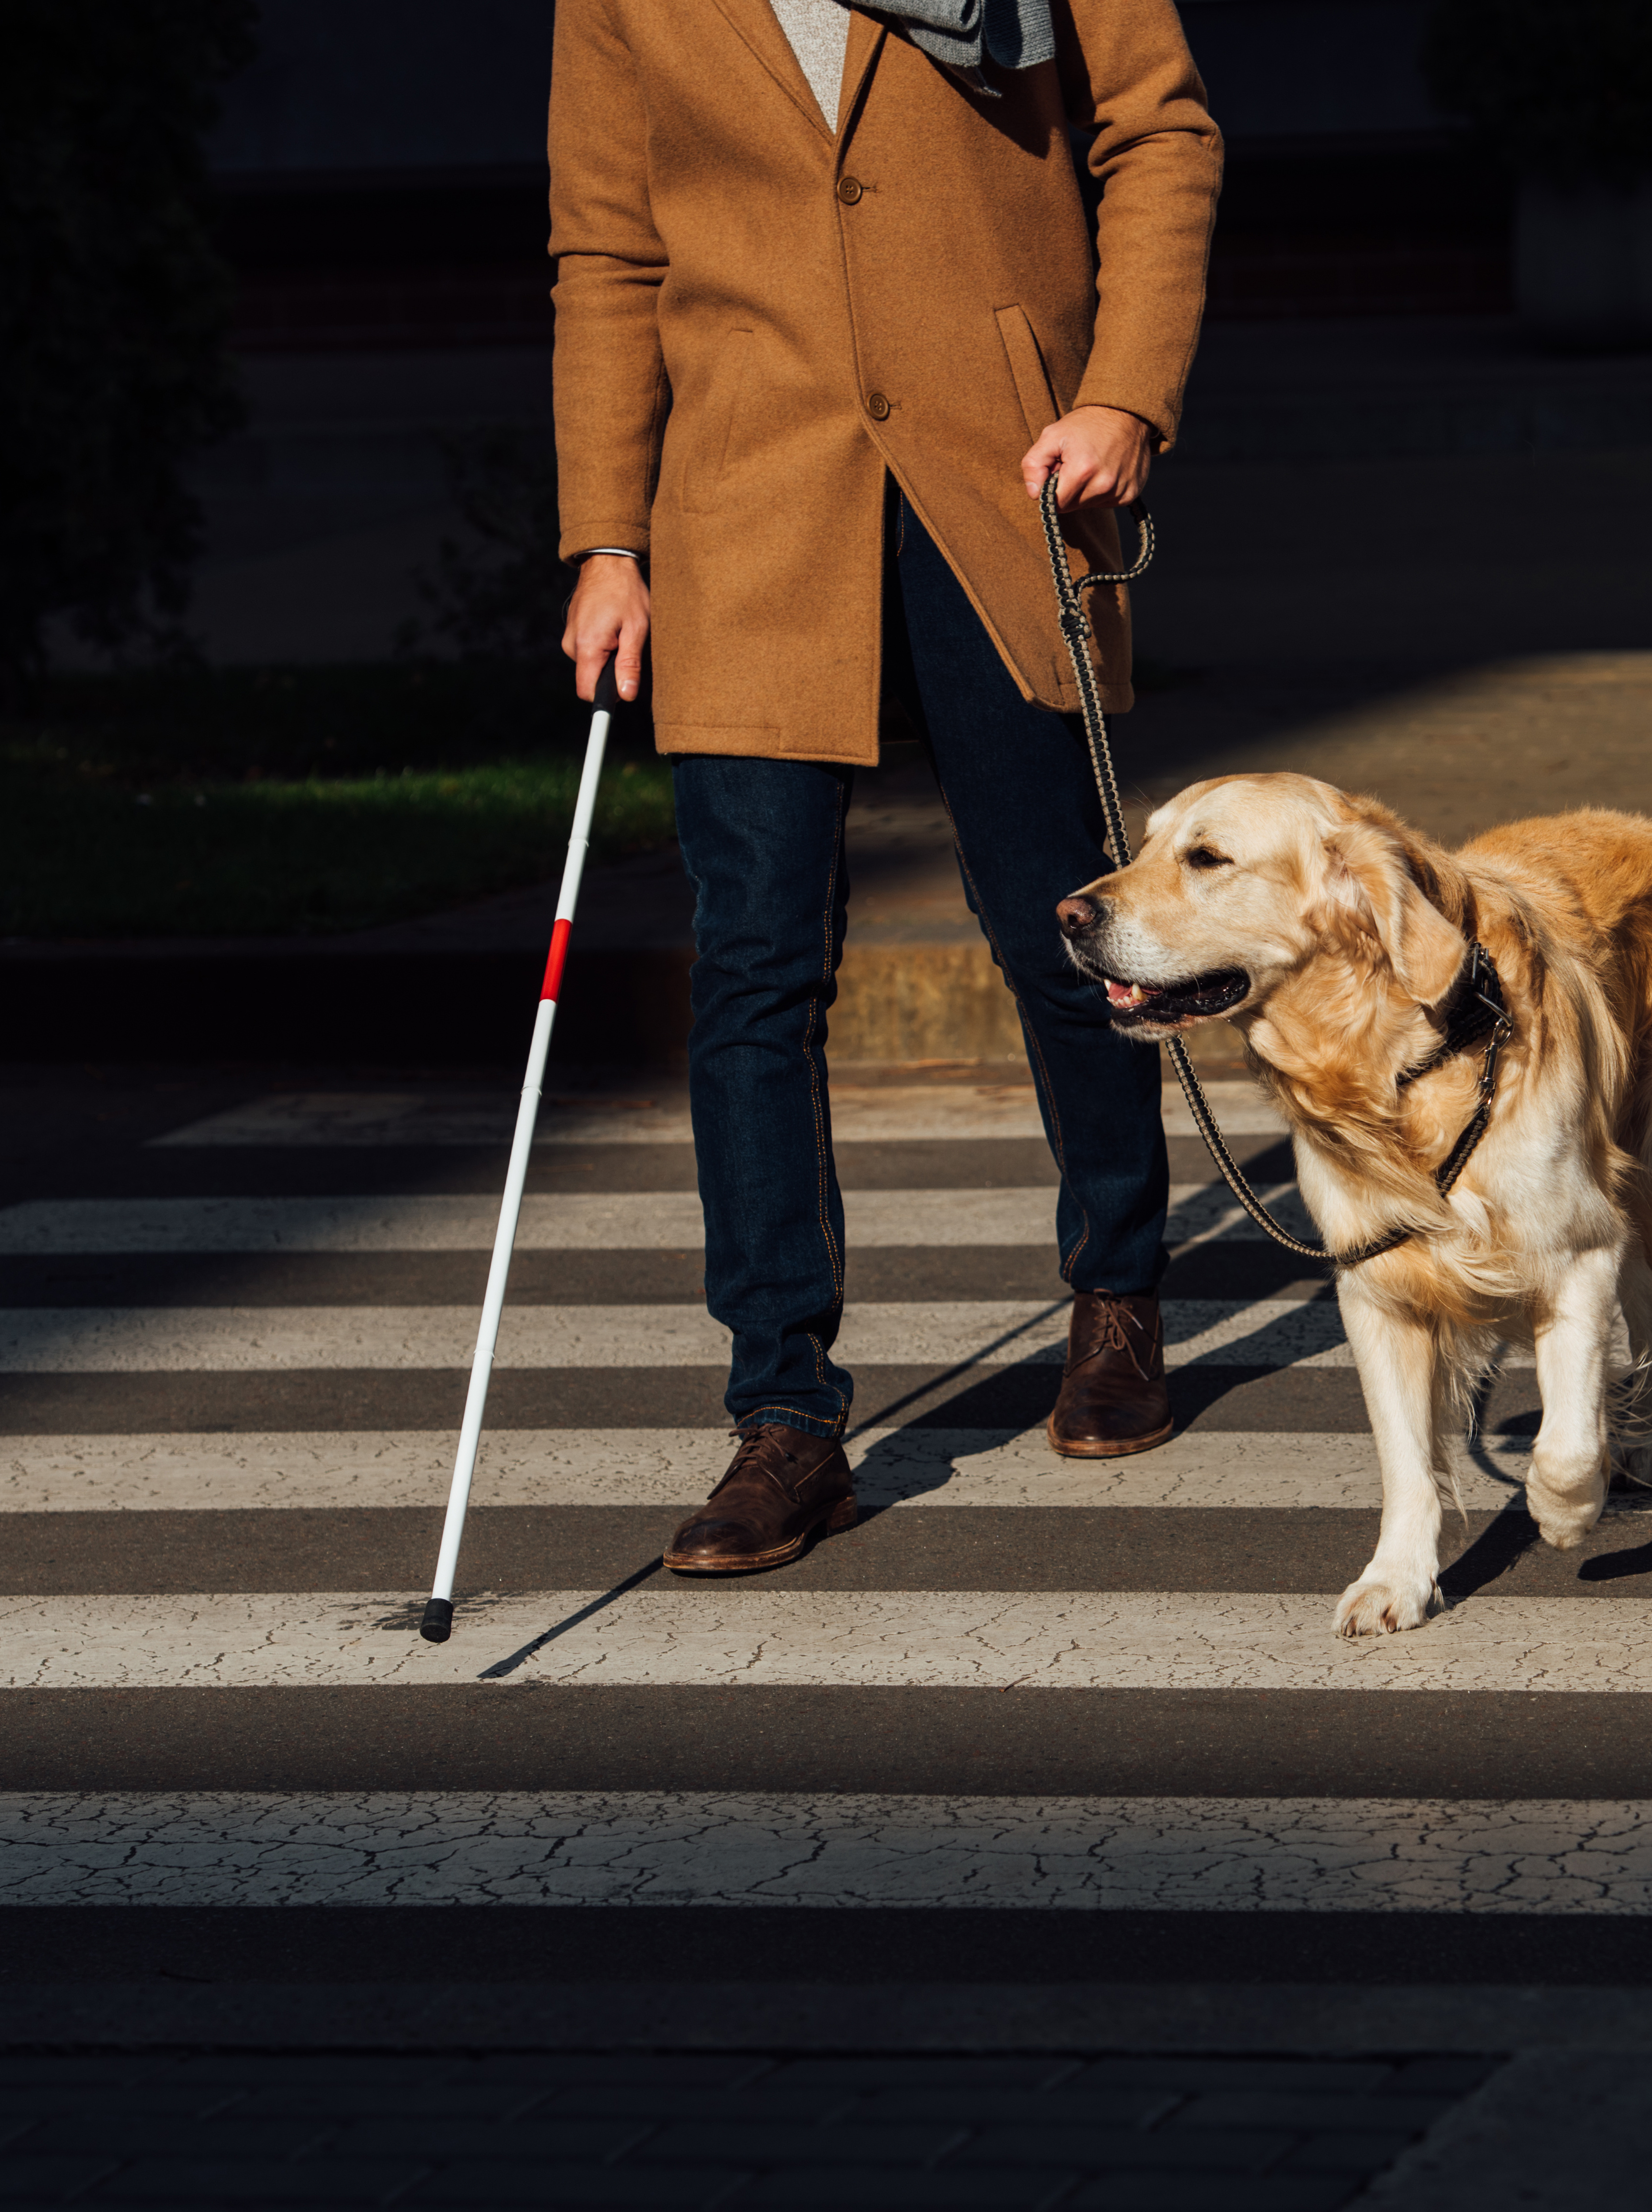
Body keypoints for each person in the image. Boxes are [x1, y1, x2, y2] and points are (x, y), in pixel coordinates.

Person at [548, 0, 1223, 1572]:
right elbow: (608, 252)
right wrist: (607, 537)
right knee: (757, 970)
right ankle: (784, 1419)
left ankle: (1118, 1296)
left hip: (1000, 469)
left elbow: (1160, 130)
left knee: (1063, 923)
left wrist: (1126, 393)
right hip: (747, 499)